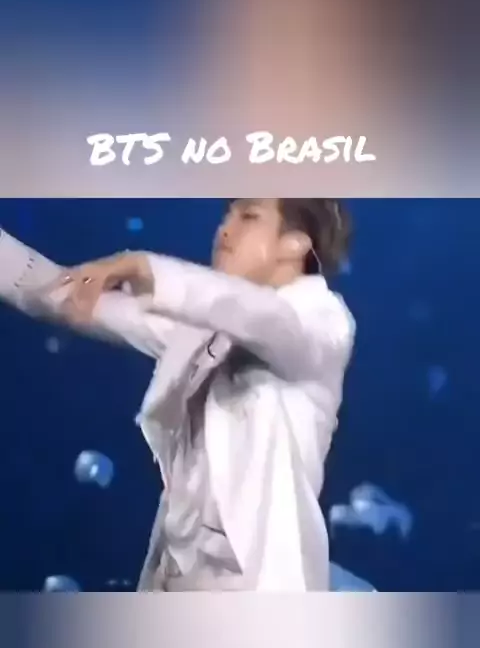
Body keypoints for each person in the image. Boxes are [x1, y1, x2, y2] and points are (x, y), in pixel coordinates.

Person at [0, 198, 355, 591]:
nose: (225, 229)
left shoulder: (322, 326)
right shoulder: (201, 327)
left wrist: (143, 266)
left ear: (295, 244)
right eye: (227, 214)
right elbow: (59, 294)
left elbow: (266, 317)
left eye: (248, 216)